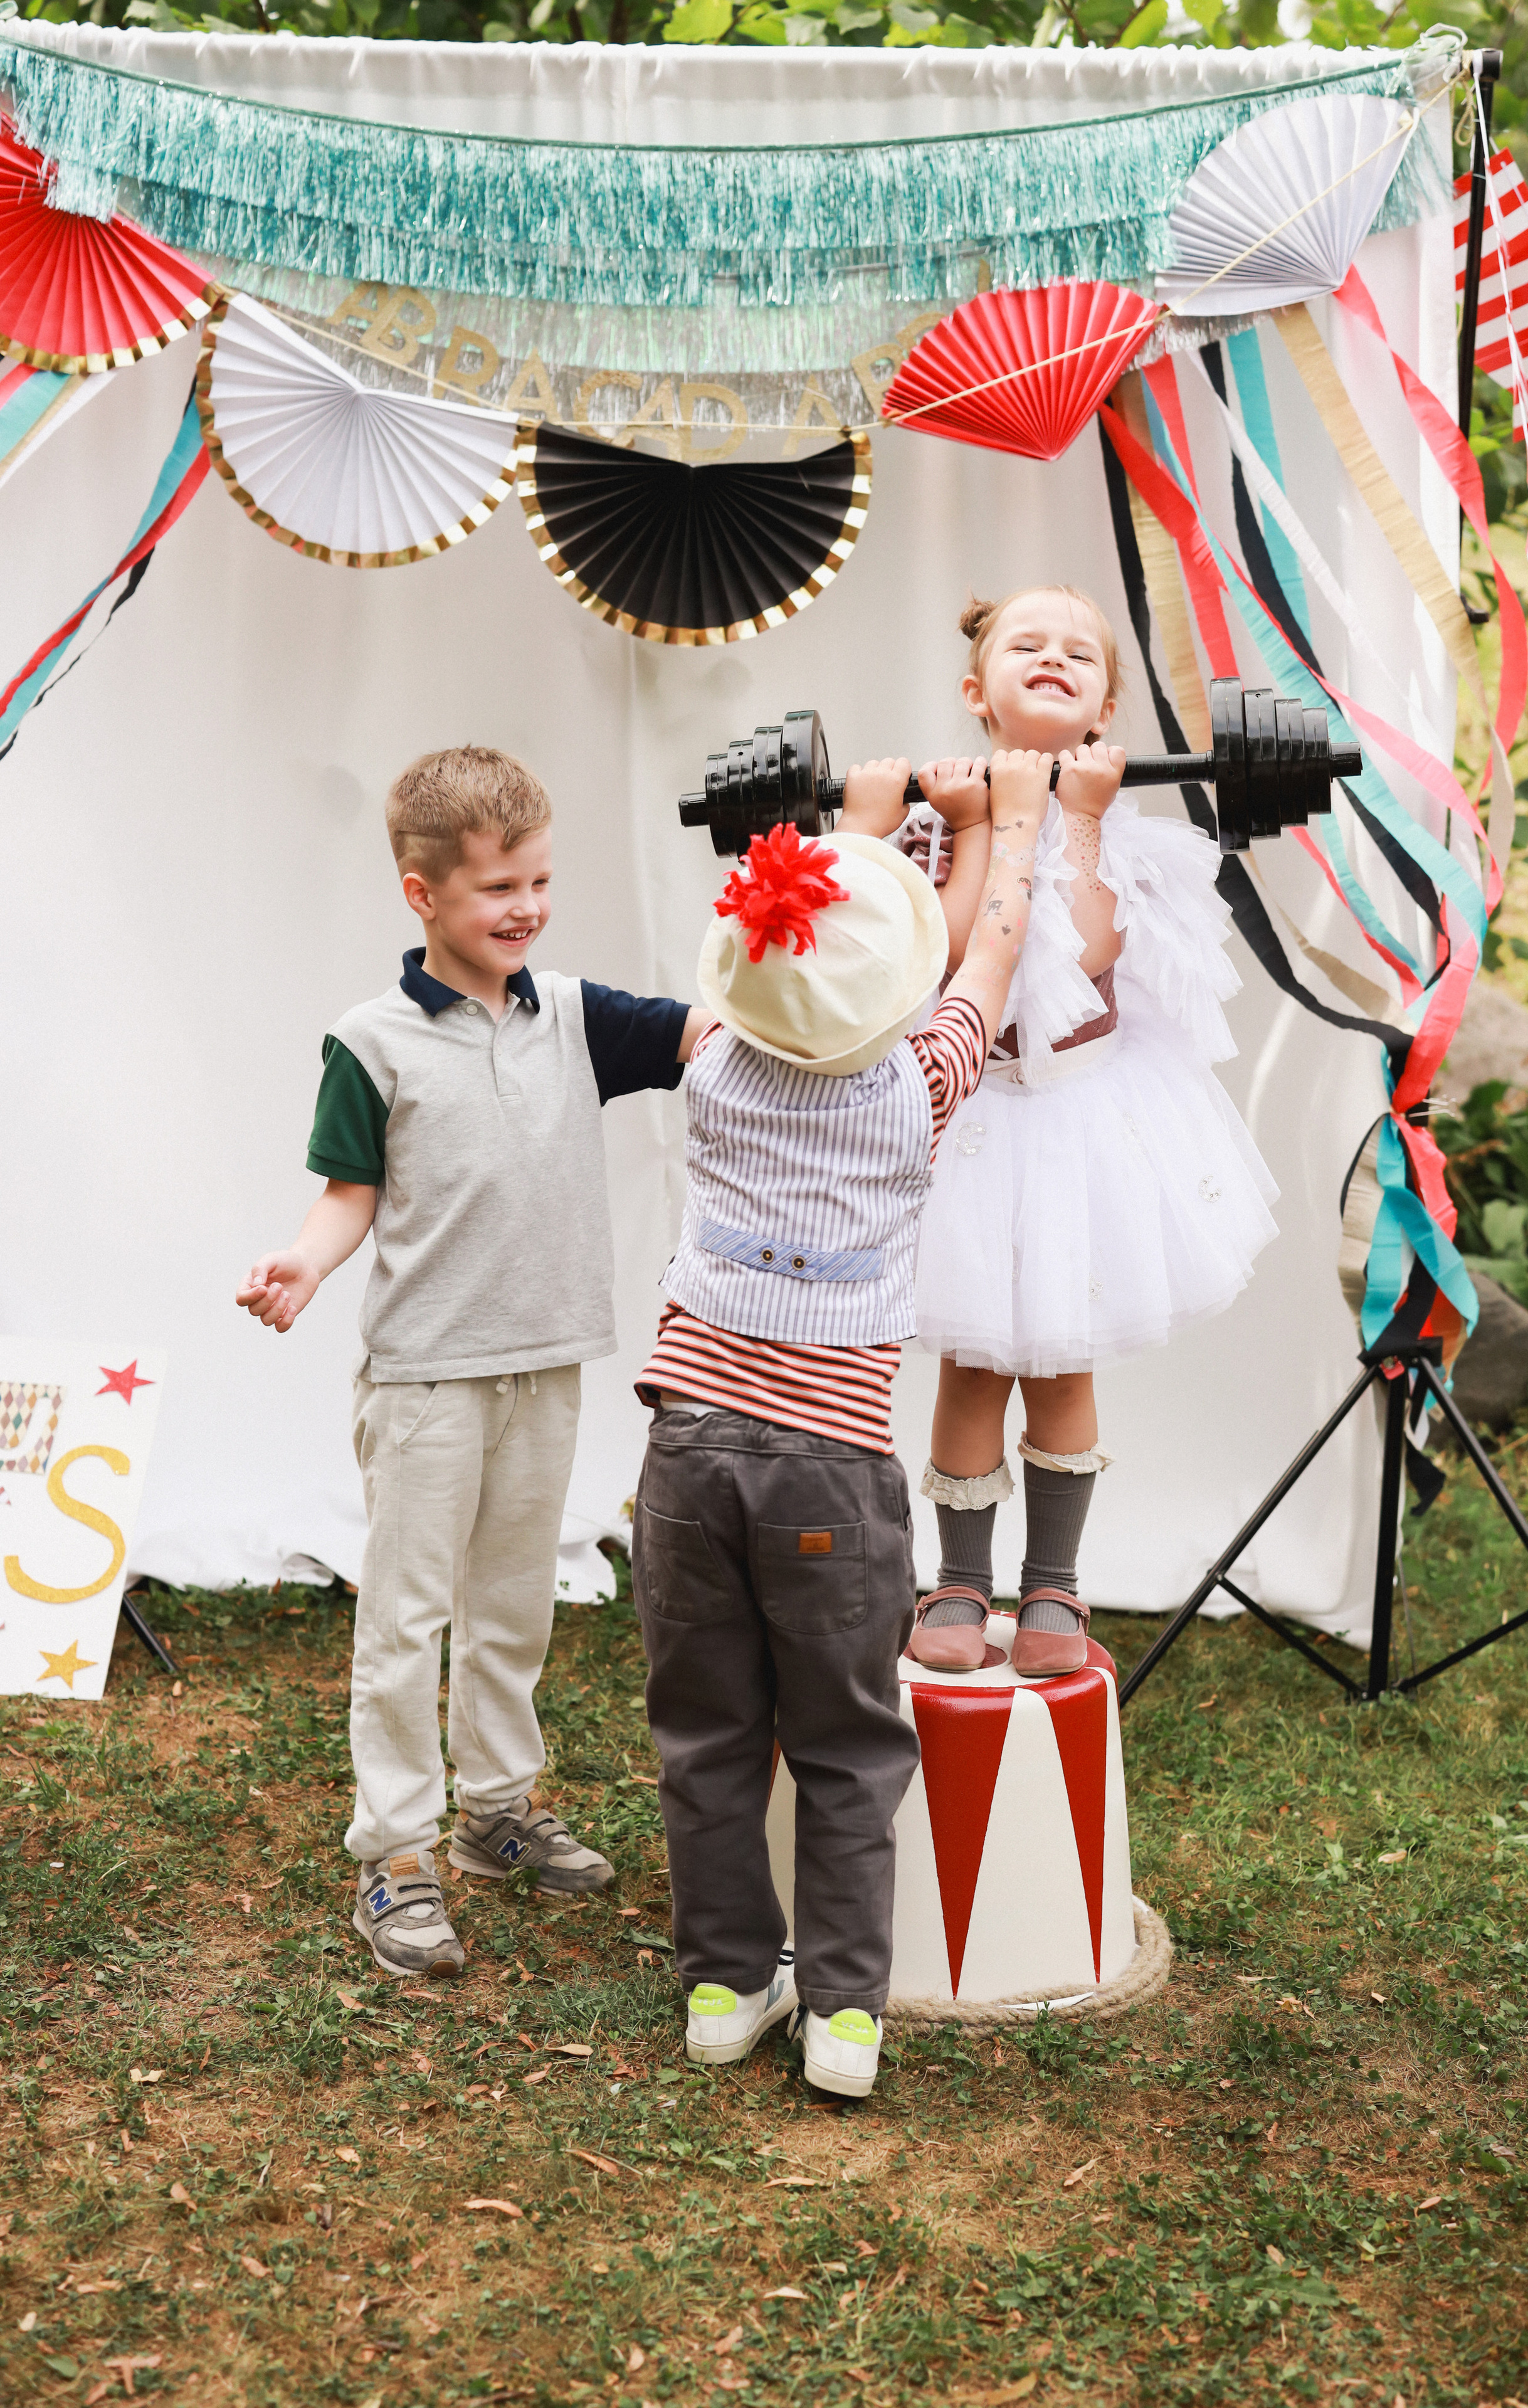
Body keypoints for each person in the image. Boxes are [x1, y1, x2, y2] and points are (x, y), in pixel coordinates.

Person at [630, 740, 1103, 2099]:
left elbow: (798, 953)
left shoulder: (711, 1058)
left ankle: (724, 1985)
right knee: (843, 1742)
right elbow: (983, 965)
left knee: (707, 1731)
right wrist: (1005, 824)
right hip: (828, 1481)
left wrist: (867, 821)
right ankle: (842, 2014)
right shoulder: (916, 1090)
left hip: (684, 1463)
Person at [236, 745, 710, 1982]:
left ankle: (498, 1813)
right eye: (499, 886)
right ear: (422, 894)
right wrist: (303, 1262)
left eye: (540, 880)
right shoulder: (370, 1041)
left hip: (544, 1366)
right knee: (407, 1621)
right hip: (427, 1381)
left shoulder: (574, 1015)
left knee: (514, 1604)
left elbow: (706, 1032)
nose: (526, 907)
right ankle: (394, 1852)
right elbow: (348, 1194)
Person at [905, 588, 1279, 1680]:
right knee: (973, 1366)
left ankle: (1054, 1584)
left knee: (1063, 1367)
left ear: (1107, 704)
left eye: (1080, 653)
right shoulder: (939, 823)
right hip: (977, 1125)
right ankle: (961, 1583)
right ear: (978, 692)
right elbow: (959, 949)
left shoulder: (1129, 835)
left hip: (1080, 1128)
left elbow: (1090, 948)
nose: (1054, 658)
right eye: (1026, 646)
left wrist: (1073, 817)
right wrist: (980, 820)